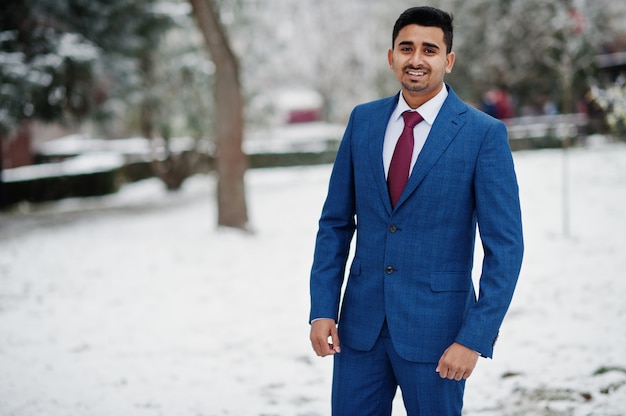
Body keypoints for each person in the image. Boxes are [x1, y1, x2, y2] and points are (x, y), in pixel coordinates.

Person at [308, 6, 524, 416]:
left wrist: (474, 338)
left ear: (448, 60)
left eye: (430, 49)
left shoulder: (483, 134)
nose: (417, 59)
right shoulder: (364, 122)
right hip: (360, 329)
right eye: (406, 48)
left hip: (440, 336)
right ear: (391, 57)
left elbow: (506, 248)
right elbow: (335, 224)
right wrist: (322, 309)